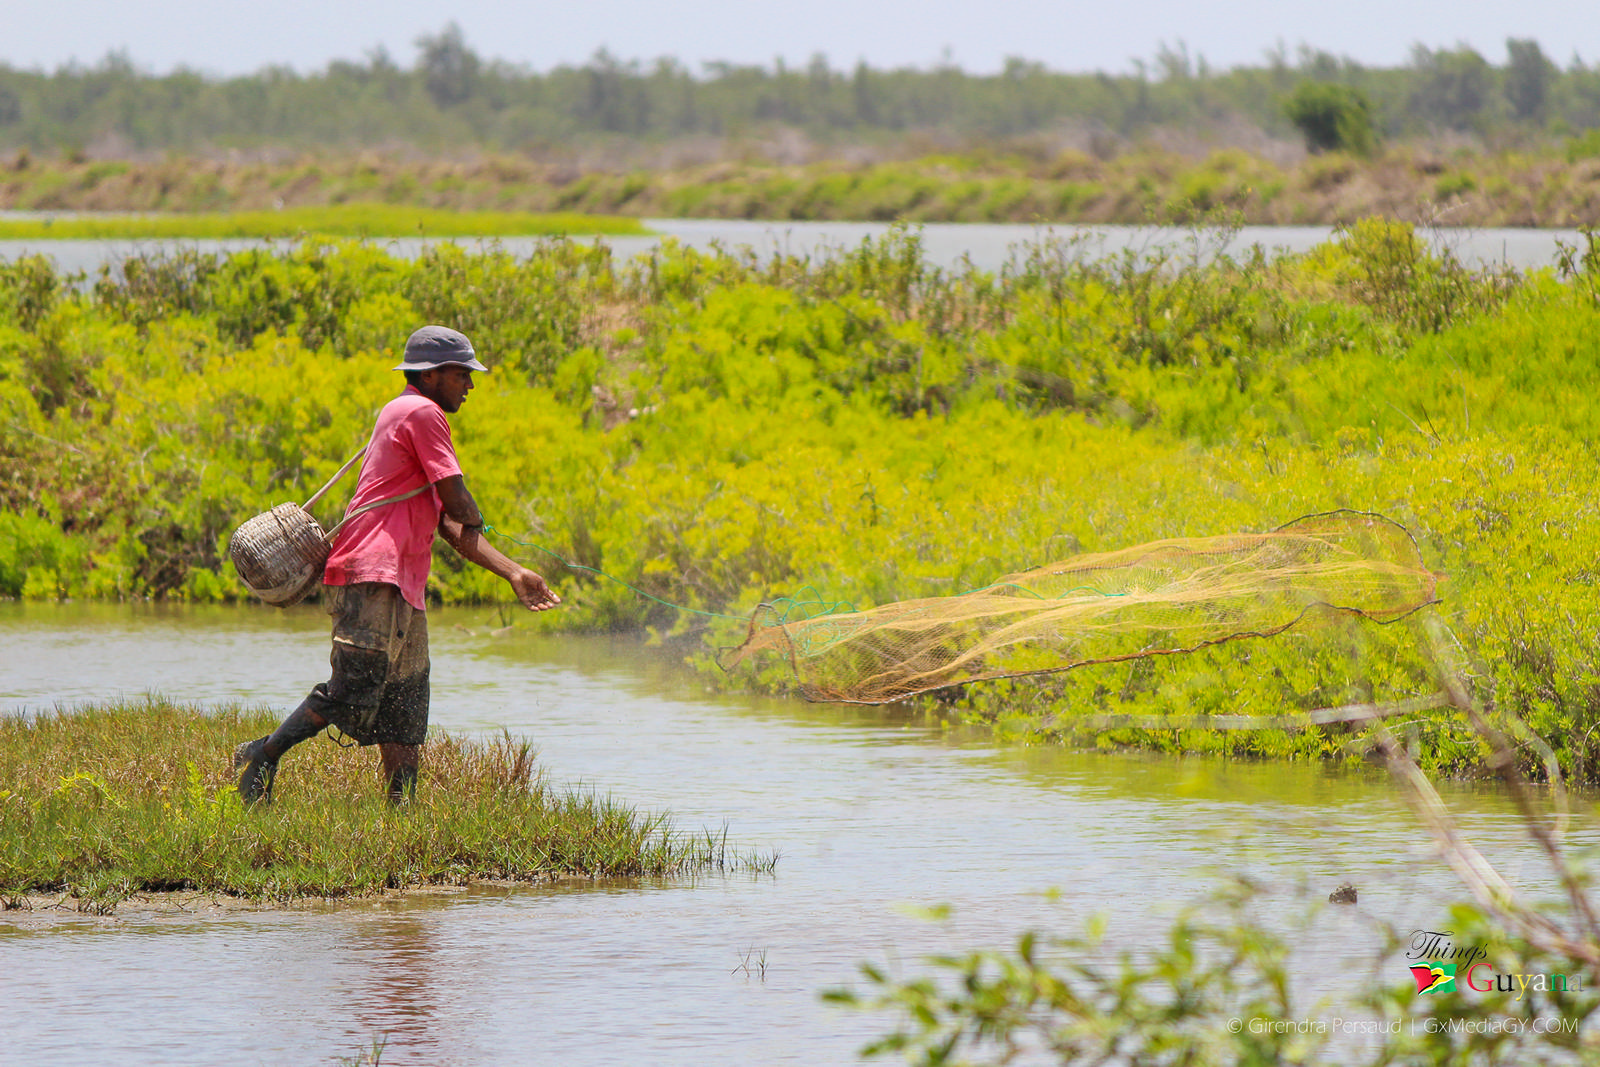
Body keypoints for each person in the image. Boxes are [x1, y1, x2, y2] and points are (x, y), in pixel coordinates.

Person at [234, 325, 561, 805]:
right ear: (430, 377)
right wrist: (475, 515)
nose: (469, 385)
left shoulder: (404, 412)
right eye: (461, 374)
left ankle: (399, 811)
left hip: (402, 584)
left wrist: (513, 572)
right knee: (353, 687)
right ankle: (263, 754)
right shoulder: (422, 412)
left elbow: (448, 524)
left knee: (406, 704)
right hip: (372, 573)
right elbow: (457, 500)